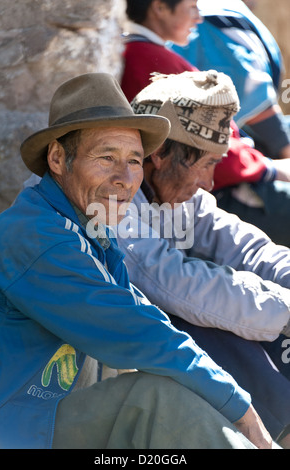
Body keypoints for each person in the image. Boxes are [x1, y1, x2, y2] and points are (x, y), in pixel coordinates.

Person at [0, 72, 272, 450]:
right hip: (15, 424)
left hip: (45, 415)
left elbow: (146, 316)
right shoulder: (36, 236)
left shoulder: (90, 230)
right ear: (58, 158)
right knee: (154, 400)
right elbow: (135, 331)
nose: (125, 179)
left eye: (134, 161)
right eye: (107, 158)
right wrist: (242, 409)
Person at [116, 70, 290, 448]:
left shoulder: (178, 193)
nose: (210, 183)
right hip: (88, 368)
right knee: (209, 320)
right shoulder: (112, 195)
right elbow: (174, 283)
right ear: (160, 154)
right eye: (207, 164)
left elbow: (247, 248)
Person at [120, 0, 290, 247]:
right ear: (159, 7)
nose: (199, 17)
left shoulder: (145, 54)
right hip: (219, 188)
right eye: (191, 7)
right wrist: (271, 169)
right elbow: (208, 152)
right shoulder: (153, 61)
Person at [170, 0, 290, 160]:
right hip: (205, 148)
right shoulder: (210, 20)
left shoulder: (215, 12)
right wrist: (284, 148)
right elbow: (250, 90)